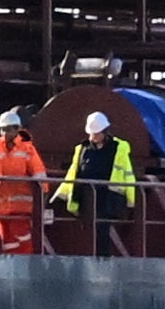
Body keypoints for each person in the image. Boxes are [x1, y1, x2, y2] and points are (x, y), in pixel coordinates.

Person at [55, 109, 137, 257]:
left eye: (96, 133)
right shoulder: (82, 149)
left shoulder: (118, 148)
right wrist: (61, 195)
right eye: (91, 134)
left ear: (105, 132)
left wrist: (131, 200)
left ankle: (102, 263)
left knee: (102, 232)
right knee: (87, 232)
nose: (93, 137)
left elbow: (128, 174)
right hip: (86, 198)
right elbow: (73, 173)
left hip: (108, 199)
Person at [0, 108, 49, 254]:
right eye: (2, 130)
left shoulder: (27, 149)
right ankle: (11, 271)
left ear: (17, 129)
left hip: (21, 208)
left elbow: (40, 175)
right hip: (2, 207)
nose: (5, 134)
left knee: (22, 238)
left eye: (8, 130)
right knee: (6, 241)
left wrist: (42, 201)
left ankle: (25, 269)